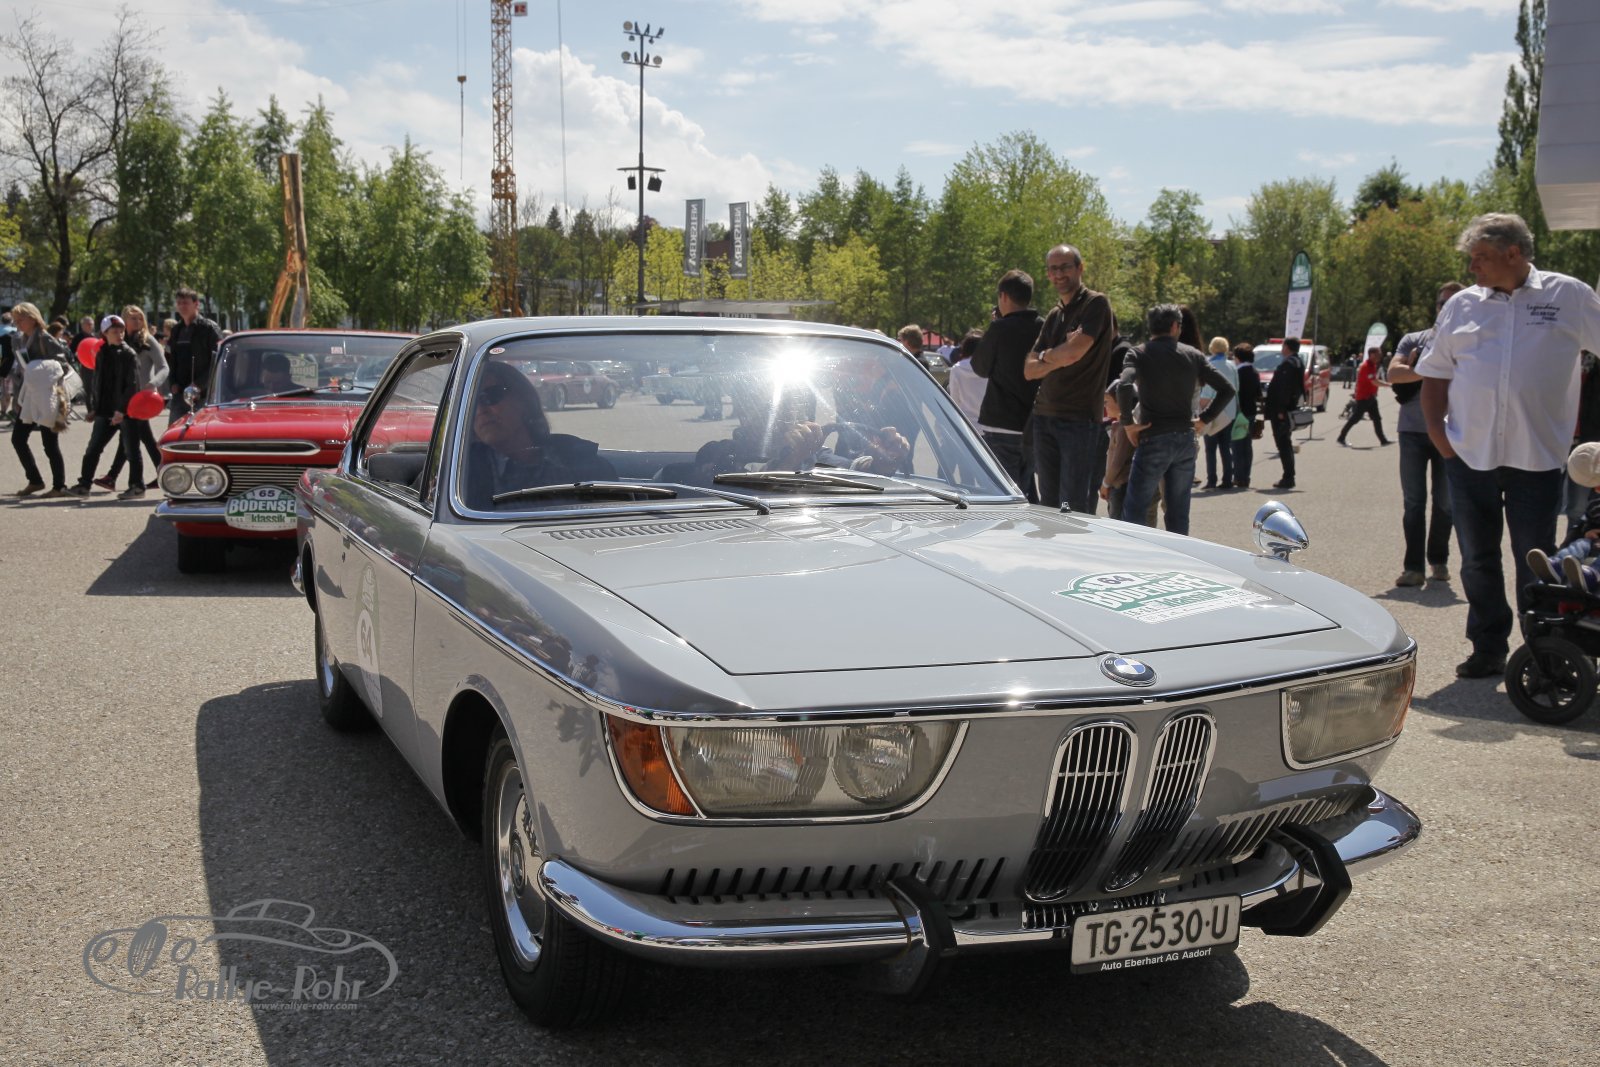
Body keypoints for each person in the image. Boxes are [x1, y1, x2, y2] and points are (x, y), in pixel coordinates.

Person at [1417, 212, 1600, 678]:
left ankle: (1545, 653)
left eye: (1480, 257)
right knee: (1477, 558)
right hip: (1468, 455)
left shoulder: (1570, 295)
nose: (1472, 267)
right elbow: (1434, 374)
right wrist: (1441, 439)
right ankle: (1488, 647)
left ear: (1513, 253)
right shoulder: (1461, 306)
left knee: (1535, 558)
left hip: (1537, 457)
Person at [1115, 304, 1235, 535]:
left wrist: (1128, 423)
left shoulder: (1138, 353)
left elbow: (1124, 385)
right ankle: (1179, 554)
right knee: (1178, 512)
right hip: (1185, 438)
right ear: (1174, 326)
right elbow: (1227, 389)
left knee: (1136, 508)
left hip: (1152, 436)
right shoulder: (1193, 355)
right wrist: (1204, 419)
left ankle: (1135, 552)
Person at [1025, 244, 1119, 512]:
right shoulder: (1055, 315)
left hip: (1079, 420)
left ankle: (1072, 542)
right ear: (1048, 274)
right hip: (1044, 417)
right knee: (1049, 506)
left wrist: (1047, 357)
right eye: (1053, 269)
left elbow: (1075, 353)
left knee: (1073, 505)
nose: (1059, 274)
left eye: (1065, 267)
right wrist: (1056, 356)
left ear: (1080, 268)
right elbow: (1029, 370)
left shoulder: (1096, 303)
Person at [1385, 281, 1464, 587]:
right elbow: (1394, 373)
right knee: (1414, 502)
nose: (1446, 308)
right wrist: (1433, 367)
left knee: (1445, 503)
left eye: (1453, 302)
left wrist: (1419, 368)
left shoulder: (1469, 341)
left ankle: (1439, 560)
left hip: (1451, 432)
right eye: (1442, 303)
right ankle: (1413, 567)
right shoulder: (1414, 339)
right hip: (1412, 432)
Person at [462, 360, 615, 509]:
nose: (480, 410)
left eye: (491, 396)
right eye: (471, 404)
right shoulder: (462, 478)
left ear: (524, 400)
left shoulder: (585, 465)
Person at [970, 269, 1044, 500]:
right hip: (1033, 422)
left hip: (1001, 422)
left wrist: (995, 327)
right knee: (1027, 489)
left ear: (1003, 296)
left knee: (1004, 493)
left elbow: (980, 367)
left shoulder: (1000, 328)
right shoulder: (1043, 326)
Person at [99, 304, 168, 493]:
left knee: (132, 437)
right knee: (137, 436)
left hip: (142, 398)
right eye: (133, 318)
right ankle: (163, 472)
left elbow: (164, 367)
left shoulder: (147, 340)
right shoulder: (119, 340)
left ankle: (117, 478)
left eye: (140, 318)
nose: (137, 322)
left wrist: (152, 384)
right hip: (124, 397)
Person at [68, 315, 138, 498]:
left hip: (123, 411)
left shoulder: (128, 354)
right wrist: (95, 408)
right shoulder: (101, 353)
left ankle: (136, 486)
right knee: (93, 449)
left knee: (130, 450)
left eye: (121, 331)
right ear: (104, 333)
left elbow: (132, 385)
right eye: (114, 331)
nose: (119, 334)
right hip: (105, 410)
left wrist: (122, 410)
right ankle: (84, 484)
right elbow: (98, 383)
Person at [8, 302, 72, 497]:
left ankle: (59, 486)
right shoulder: (18, 339)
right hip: (28, 397)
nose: (17, 324)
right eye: (15, 320)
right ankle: (35, 480)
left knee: (49, 443)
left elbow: (63, 365)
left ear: (32, 318)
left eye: (20, 320)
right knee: (18, 439)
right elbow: (21, 369)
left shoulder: (45, 338)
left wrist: (41, 368)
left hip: (48, 396)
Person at [1527, 443, 1600, 583]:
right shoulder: (1595, 501)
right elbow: (1590, 519)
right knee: (1579, 544)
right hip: (1595, 540)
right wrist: (1588, 531)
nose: (1596, 490)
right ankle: (1557, 565)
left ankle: (1592, 575)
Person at [166, 287, 222, 421]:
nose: (182, 306)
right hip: (180, 395)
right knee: (175, 430)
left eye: (185, 303)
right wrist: (172, 382)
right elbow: (172, 359)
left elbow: (218, 360)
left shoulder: (209, 328)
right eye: (179, 303)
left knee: (200, 429)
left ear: (196, 304)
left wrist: (199, 384)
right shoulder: (176, 330)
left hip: (203, 395)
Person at [1263, 337, 1307, 489]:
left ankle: (1288, 477)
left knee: (1283, 443)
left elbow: (1285, 389)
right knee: (1285, 442)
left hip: (1282, 410)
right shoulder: (1297, 362)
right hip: (1289, 408)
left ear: (1287, 347)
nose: (1282, 349)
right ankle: (1288, 476)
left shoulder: (1289, 364)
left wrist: (1281, 410)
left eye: (1283, 346)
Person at [1201, 336, 1240, 489]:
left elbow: (1206, 394)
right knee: (1225, 447)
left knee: (1210, 449)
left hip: (1213, 412)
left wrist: (1200, 411)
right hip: (1229, 412)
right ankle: (1227, 479)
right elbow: (1236, 388)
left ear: (1212, 348)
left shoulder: (1209, 365)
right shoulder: (1232, 366)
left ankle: (1212, 480)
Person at [1337, 346, 1391, 447]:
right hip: (1364, 398)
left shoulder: (1372, 365)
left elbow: (1374, 381)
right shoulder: (1367, 366)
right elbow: (1374, 382)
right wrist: (1388, 385)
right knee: (1355, 418)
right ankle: (1341, 437)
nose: (1380, 356)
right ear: (1372, 355)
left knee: (1376, 418)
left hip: (1370, 397)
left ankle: (1383, 440)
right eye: (1378, 354)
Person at [1231, 343, 1261, 489]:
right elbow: (1258, 393)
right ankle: (1246, 477)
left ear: (1238, 357)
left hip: (1238, 413)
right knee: (1247, 446)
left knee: (1237, 446)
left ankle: (1238, 477)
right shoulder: (1254, 372)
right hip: (1251, 411)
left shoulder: (1238, 373)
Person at [945, 329, 987, 427]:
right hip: (988, 424)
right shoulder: (991, 367)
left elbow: (954, 399)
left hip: (967, 424)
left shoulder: (957, 368)